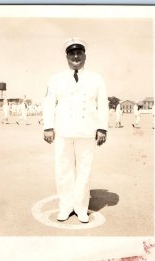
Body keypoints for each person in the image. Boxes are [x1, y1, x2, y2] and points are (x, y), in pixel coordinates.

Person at [42, 37, 109, 223]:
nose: (76, 57)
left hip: (87, 131)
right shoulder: (56, 78)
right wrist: (48, 126)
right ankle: (65, 207)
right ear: (67, 57)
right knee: (64, 171)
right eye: (72, 53)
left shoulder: (96, 78)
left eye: (79, 53)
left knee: (84, 171)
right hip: (63, 130)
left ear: (85, 56)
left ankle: (80, 208)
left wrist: (102, 128)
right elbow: (48, 103)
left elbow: (102, 104)